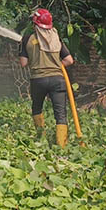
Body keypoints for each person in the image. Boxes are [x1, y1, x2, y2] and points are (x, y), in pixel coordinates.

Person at [18, 9, 75, 147]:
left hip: (38, 80)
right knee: (60, 113)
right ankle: (61, 146)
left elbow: (23, 63)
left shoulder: (27, 38)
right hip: (58, 80)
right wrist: (56, 65)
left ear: (34, 24)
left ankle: (40, 137)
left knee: (37, 108)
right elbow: (69, 60)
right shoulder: (56, 38)